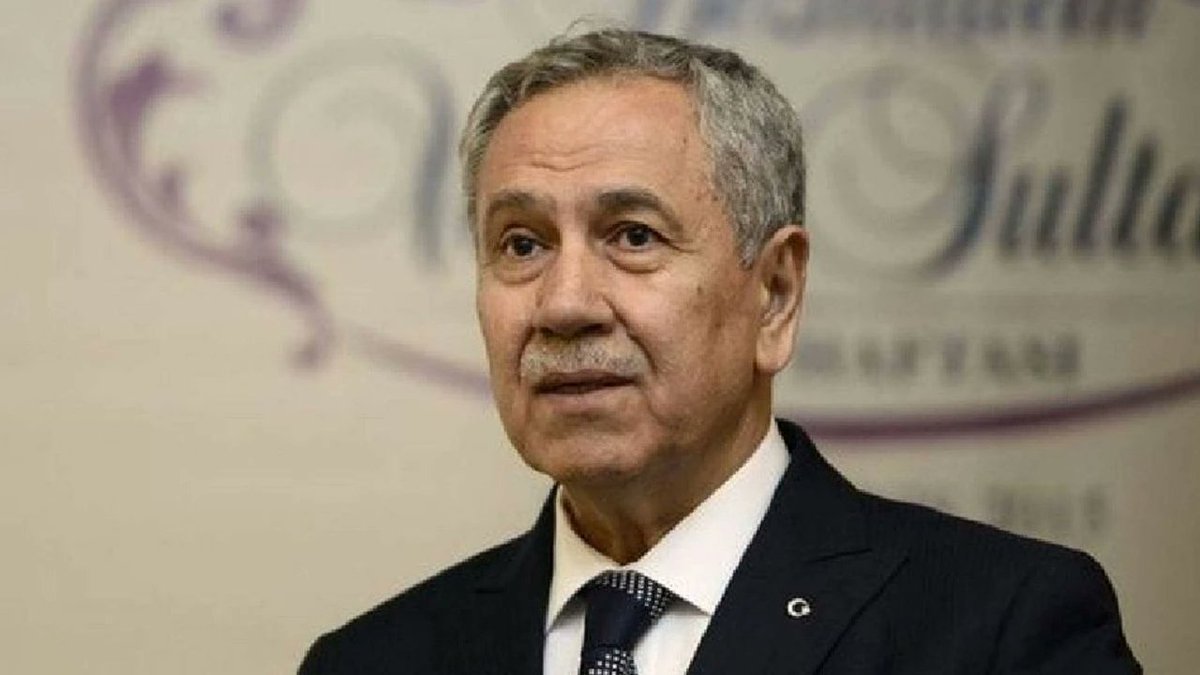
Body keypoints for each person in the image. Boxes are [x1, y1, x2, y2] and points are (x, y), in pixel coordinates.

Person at [298, 28, 1139, 675]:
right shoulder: (371, 660)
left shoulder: (1001, 629)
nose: (563, 304)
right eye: (522, 244)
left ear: (774, 292)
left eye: (633, 235)